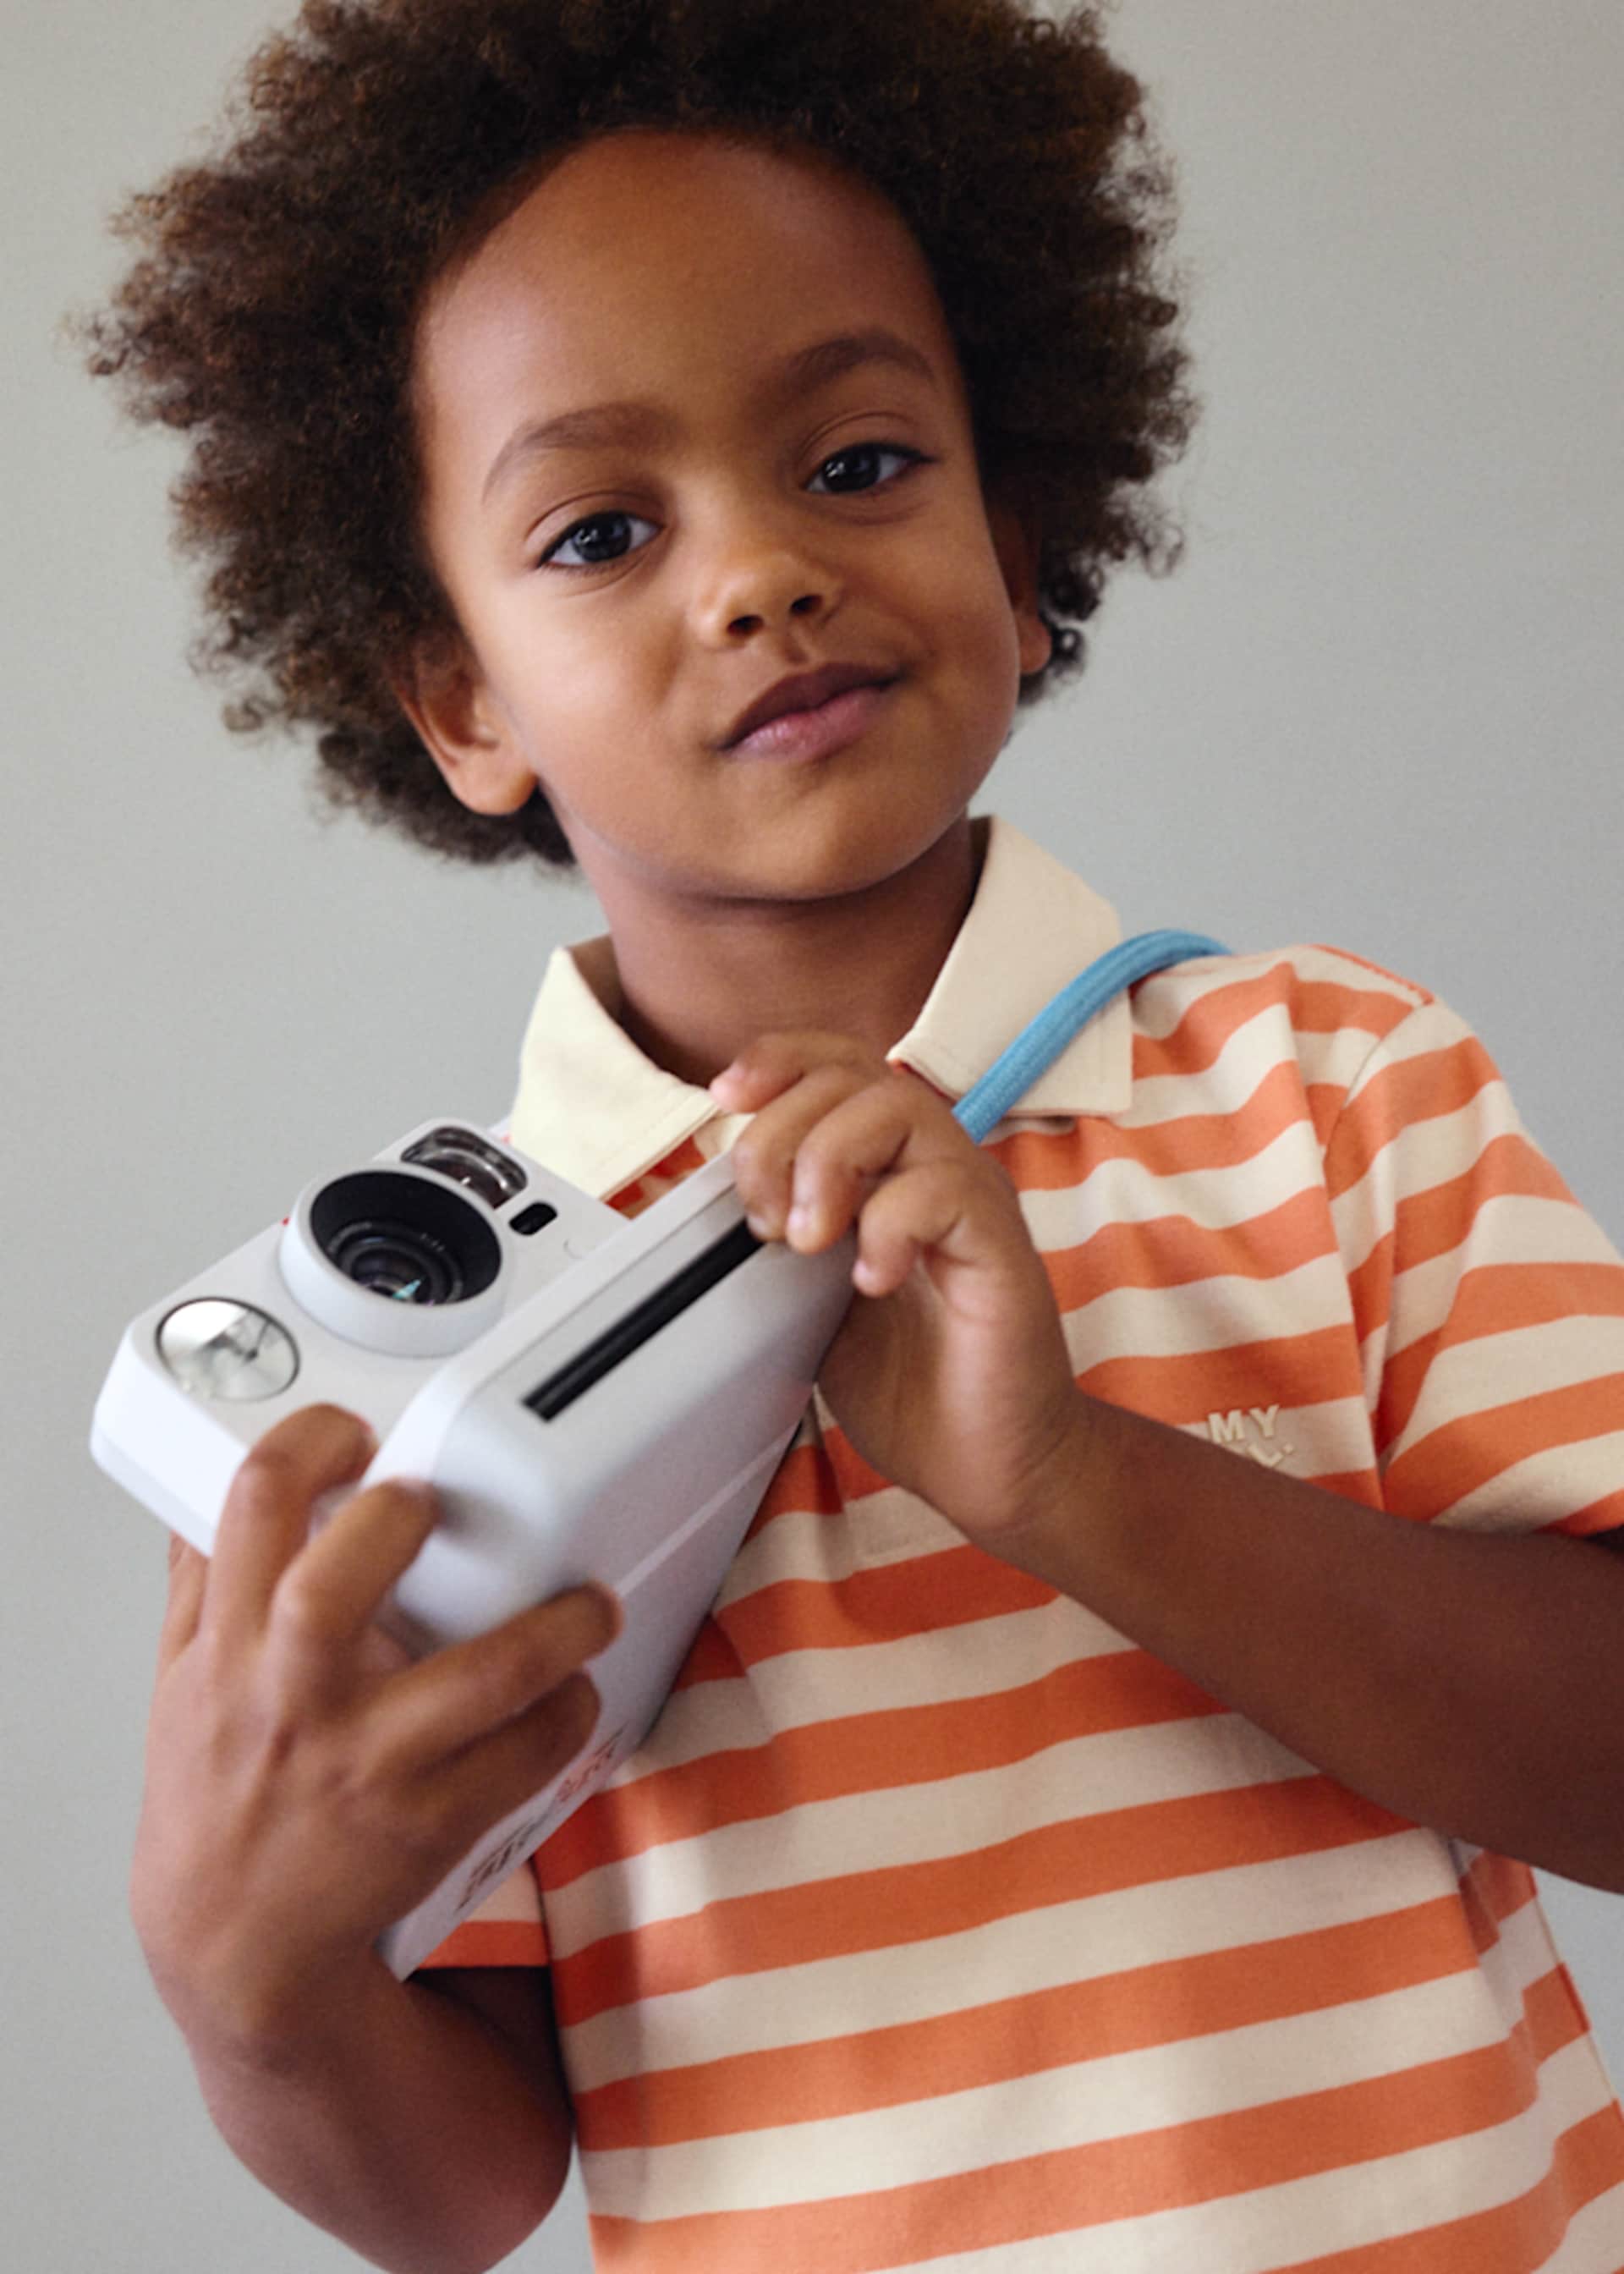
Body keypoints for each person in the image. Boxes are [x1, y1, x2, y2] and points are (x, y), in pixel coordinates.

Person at [85, 2, 1624, 2267]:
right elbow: (470, 2182)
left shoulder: (1329, 1081)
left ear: (1021, 540)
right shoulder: (410, 1392)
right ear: (460, 698)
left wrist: (1073, 1485)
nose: (758, 577)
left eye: (858, 464)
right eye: (604, 527)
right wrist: (251, 1986)